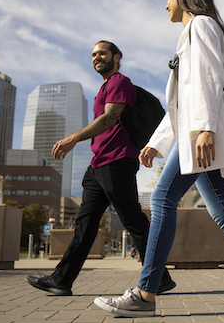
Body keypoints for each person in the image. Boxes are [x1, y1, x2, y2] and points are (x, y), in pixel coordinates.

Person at [94, 0, 224, 317]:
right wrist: (157, 143)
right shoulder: (197, 31)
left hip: (200, 132)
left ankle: (145, 293)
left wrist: (205, 130)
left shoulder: (201, 25)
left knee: (162, 198)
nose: (165, 2)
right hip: (196, 129)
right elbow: (182, 100)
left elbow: (207, 81)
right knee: (222, 211)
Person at [25, 41, 175, 296]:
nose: (96, 57)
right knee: (85, 223)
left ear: (117, 57)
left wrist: (74, 138)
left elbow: (110, 117)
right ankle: (61, 280)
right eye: (93, 54)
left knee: (133, 221)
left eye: (102, 53)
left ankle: (158, 277)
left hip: (116, 161)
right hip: (98, 165)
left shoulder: (119, 82)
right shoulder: (103, 87)